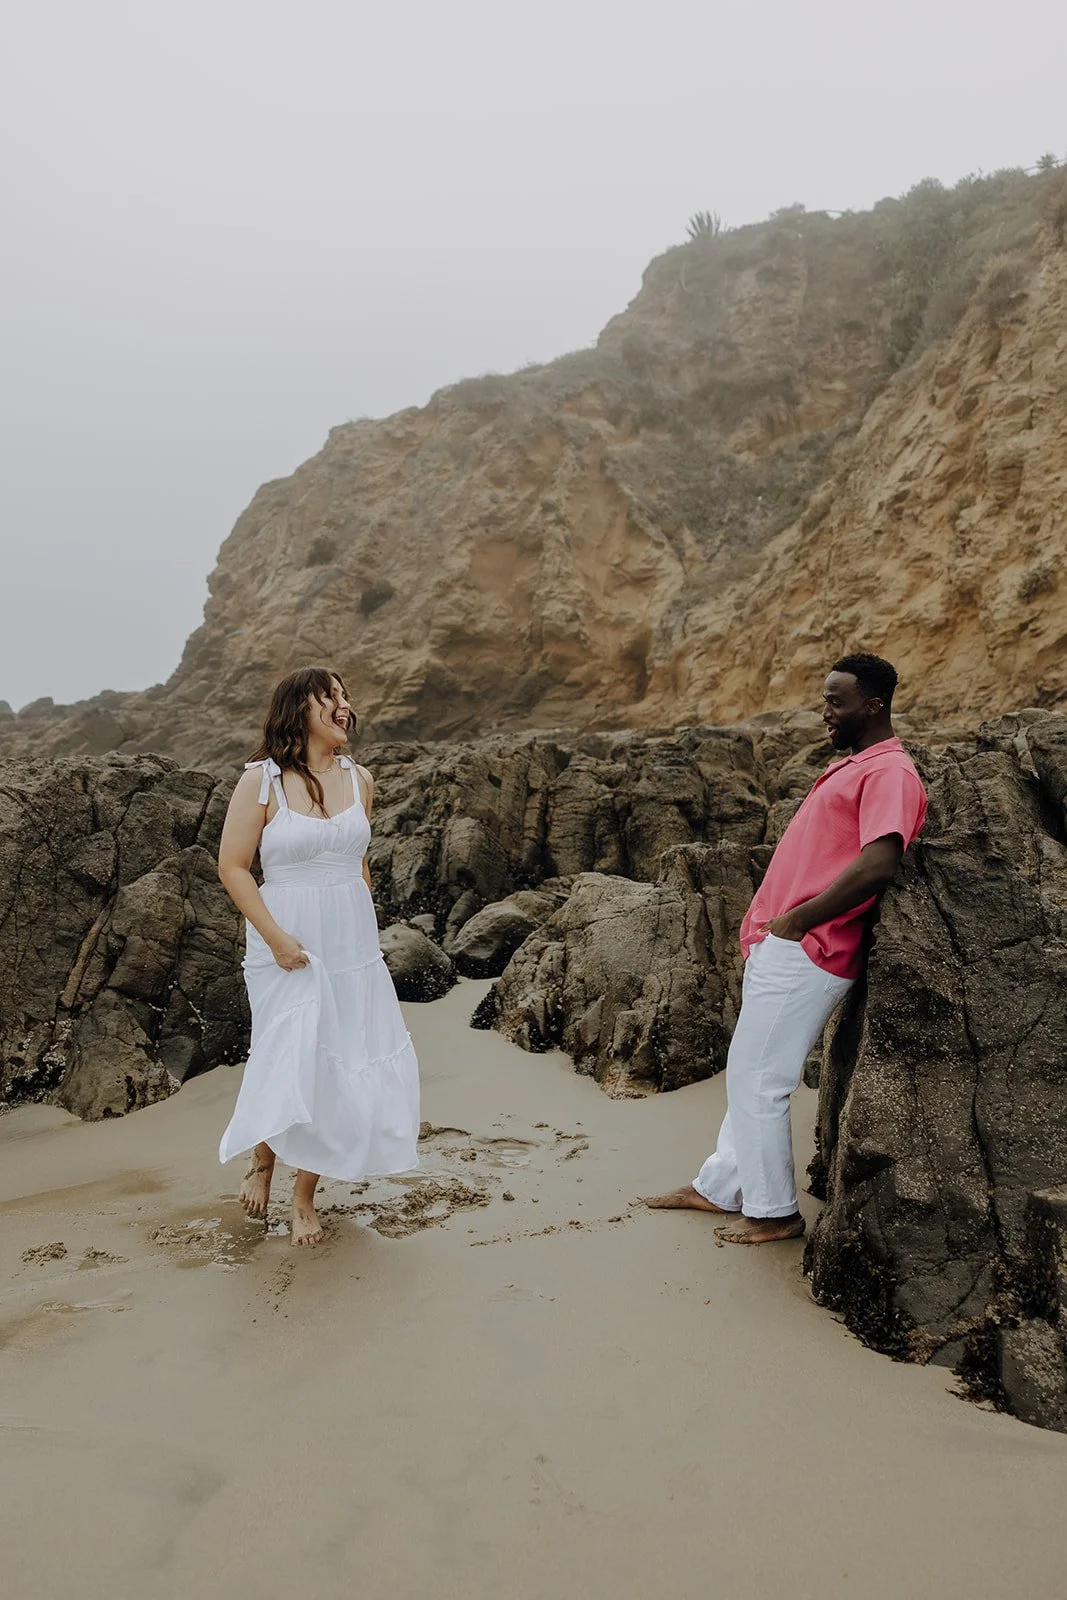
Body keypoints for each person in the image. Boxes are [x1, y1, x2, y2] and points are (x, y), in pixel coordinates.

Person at [646, 653, 927, 1244]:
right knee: (749, 1074)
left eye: (836, 701)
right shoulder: (856, 764)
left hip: (812, 948)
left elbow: (880, 862)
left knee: (759, 1080)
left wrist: (797, 920)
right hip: (787, 945)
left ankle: (774, 1212)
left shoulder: (890, 772)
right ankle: (721, 1185)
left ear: (873, 704)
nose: (825, 711)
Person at [216, 666, 420, 1246]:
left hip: (350, 943)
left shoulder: (361, 779)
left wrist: (365, 930)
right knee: (289, 1050)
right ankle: (263, 1156)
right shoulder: (261, 781)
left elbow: (358, 863)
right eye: (329, 696)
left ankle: (304, 1194)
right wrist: (276, 938)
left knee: (343, 1057)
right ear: (298, 709)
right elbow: (233, 866)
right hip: (285, 936)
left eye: (345, 696)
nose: (344, 705)